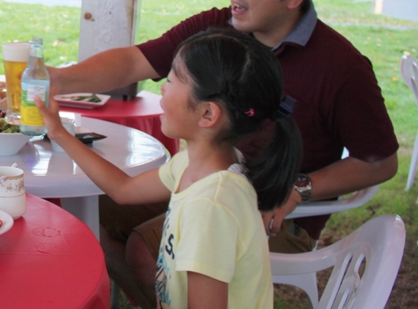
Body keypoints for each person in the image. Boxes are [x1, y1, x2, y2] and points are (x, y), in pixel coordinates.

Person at [49, 0, 398, 307]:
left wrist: (299, 188)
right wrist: (57, 81)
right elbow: (136, 61)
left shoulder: (341, 66)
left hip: (275, 210)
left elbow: (379, 163)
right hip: (204, 177)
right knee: (95, 207)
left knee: (143, 249)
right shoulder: (218, 29)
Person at [38, 29, 303, 308]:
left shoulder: (210, 207)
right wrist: (58, 133)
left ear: (208, 114)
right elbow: (124, 190)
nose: (163, 87)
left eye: (174, 79)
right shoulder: (197, 163)